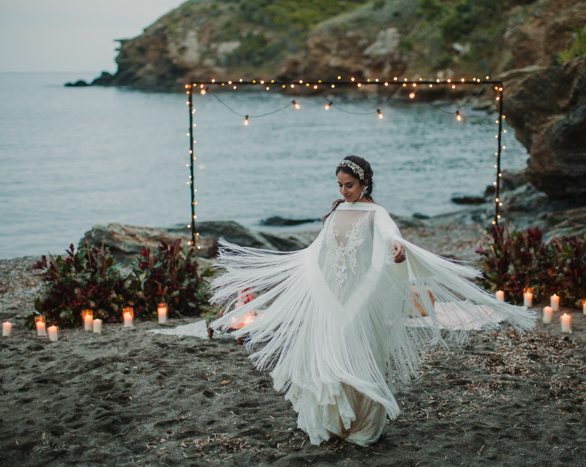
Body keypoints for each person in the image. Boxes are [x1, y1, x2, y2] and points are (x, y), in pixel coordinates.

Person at [209, 155, 536, 446]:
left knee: (362, 358)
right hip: (333, 297)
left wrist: (396, 246)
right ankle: (337, 424)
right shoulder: (337, 211)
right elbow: (317, 252)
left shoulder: (376, 213)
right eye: (339, 185)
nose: (343, 191)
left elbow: (390, 234)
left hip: (360, 299)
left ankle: (364, 427)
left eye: (349, 185)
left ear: (364, 183)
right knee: (332, 356)